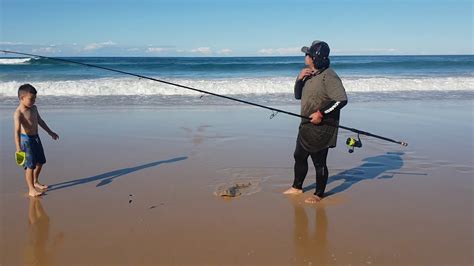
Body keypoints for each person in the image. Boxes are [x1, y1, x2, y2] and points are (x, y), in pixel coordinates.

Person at [283, 40, 347, 204]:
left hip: (322, 126)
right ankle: (297, 187)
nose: (305, 56)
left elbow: (341, 100)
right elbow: (298, 95)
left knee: (319, 162)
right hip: (305, 125)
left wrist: (321, 113)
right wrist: (299, 79)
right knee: (299, 155)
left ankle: (319, 194)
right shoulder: (309, 73)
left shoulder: (329, 75)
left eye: (307, 54)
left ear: (313, 58)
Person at [14, 84, 59, 197]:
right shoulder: (18, 113)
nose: (33, 101)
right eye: (31, 99)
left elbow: (40, 121)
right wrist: (18, 148)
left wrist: (50, 132)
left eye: (35, 98)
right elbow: (17, 132)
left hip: (36, 138)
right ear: (22, 98)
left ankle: (35, 181)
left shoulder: (34, 108)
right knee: (30, 166)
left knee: (40, 162)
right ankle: (31, 189)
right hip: (26, 141)